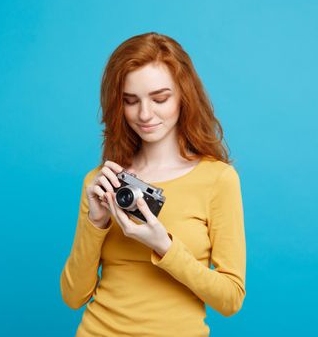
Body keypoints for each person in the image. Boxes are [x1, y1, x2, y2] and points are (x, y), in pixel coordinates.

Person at [60, 32, 246, 337]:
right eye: (131, 101)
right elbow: (73, 296)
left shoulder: (218, 180)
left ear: (184, 96)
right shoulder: (102, 182)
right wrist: (96, 222)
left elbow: (230, 299)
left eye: (160, 98)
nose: (145, 115)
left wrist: (165, 246)